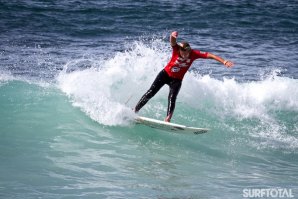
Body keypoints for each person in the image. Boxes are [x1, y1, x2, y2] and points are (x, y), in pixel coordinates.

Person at [134, 31, 234, 122]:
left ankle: (168, 119)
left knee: (172, 98)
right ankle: (134, 110)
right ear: (180, 51)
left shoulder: (193, 53)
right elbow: (173, 42)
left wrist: (224, 61)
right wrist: (172, 36)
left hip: (177, 80)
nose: (186, 55)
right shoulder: (176, 49)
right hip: (165, 74)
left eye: (187, 53)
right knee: (151, 92)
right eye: (184, 53)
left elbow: (210, 55)